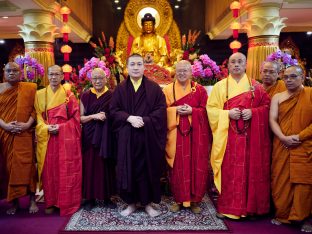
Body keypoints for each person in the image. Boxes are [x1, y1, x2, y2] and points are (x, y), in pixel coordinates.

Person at [207, 52, 271, 219]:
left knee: (250, 171)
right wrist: (227, 114)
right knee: (229, 172)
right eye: (233, 62)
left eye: (240, 62)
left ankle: (249, 209)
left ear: (246, 65)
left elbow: (267, 108)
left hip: (251, 139)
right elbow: (211, 110)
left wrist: (253, 112)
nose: (236, 65)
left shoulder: (256, 87)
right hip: (228, 138)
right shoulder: (220, 86)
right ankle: (228, 208)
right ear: (228, 66)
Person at [110, 53, 167, 217]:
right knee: (128, 169)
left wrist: (145, 120)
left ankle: (148, 204)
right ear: (127, 68)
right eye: (132, 64)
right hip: (127, 137)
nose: (135, 67)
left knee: (147, 169)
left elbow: (161, 110)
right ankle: (131, 203)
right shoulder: (120, 89)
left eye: (139, 64)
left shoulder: (154, 88)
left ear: (144, 67)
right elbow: (113, 110)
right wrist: (128, 118)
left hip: (147, 136)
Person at [162, 60, 211, 214]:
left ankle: (195, 200)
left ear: (191, 72)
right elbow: (162, 111)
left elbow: (207, 111)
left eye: (185, 70)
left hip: (196, 135)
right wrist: (175, 110)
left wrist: (193, 111)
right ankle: (178, 199)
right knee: (178, 167)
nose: (182, 73)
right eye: (179, 70)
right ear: (174, 72)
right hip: (176, 133)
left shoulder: (200, 90)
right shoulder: (167, 90)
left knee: (197, 165)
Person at [35, 65, 82, 216]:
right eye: (51, 74)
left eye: (57, 74)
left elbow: (76, 119)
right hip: (48, 137)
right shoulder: (40, 94)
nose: (54, 77)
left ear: (62, 76)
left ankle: (66, 202)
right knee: (49, 170)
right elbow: (38, 116)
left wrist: (61, 128)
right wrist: (46, 128)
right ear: (47, 76)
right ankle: (50, 201)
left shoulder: (69, 95)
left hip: (64, 139)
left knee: (65, 169)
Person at [270, 65, 312, 232]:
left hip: (305, 145)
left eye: (293, 76)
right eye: (286, 77)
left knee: (304, 184)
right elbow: (272, 119)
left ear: (302, 78)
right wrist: (282, 137)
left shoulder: (309, 94)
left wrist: (300, 137)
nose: (288, 80)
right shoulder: (278, 97)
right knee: (281, 180)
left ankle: (303, 217)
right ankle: (283, 214)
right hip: (282, 144)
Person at [0, 62, 38, 215]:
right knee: (10, 167)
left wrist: (27, 125)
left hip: (24, 133)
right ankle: (14, 202)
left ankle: (32, 200)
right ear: (4, 72)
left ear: (20, 72)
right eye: (8, 70)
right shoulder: (0, 88)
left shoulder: (30, 88)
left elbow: (36, 110)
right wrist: (5, 126)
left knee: (28, 166)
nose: (11, 73)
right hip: (6, 134)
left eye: (15, 70)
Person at [80, 68, 116, 211]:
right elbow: (80, 118)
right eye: (94, 78)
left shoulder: (112, 95)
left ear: (106, 78)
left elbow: (117, 114)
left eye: (100, 78)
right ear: (90, 80)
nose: (97, 81)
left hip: (107, 135)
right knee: (89, 165)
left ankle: (107, 197)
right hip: (89, 136)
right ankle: (89, 198)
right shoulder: (85, 96)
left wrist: (108, 117)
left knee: (106, 165)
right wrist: (94, 116)